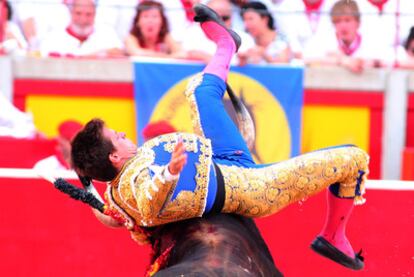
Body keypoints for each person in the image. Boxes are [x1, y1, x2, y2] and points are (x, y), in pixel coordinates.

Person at [71, 4, 368, 271]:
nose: (123, 134)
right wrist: (168, 173)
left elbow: (109, 215)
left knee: (199, 90)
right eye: (116, 136)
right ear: (114, 157)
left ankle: (226, 44)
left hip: (220, 157)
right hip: (250, 187)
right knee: (354, 158)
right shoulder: (136, 185)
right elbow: (150, 201)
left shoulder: (114, 193)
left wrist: (86, 187)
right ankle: (333, 235)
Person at [304, 0, 388, 73]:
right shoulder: (325, 40)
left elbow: (388, 61)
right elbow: (306, 60)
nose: (343, 26)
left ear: (358, 23)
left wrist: (373, 63)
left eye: (347, 20)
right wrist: (341, 60)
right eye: (338, 21)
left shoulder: (371, 41)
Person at [39, 0, 124, 58]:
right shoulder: (54, 36)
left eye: (88, 14)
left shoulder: (106, 33)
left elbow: (119, 52)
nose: (83, 20)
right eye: (78, 13)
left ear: (95, 14)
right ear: (71, 13)